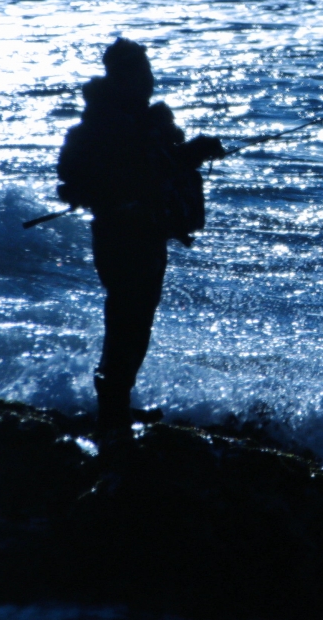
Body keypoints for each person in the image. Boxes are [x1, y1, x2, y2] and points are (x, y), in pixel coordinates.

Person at [56, 37, 225, 436]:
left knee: (134, 323)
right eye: (143, 73)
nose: (150, 80)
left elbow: (151, 168)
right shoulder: (107, 125)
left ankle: (116, 408)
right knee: (127, 323)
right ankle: (112, 417)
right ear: (125, 78)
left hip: (143, 236)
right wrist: (192, 154)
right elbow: (132, 174)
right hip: (123, 238)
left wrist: (191, 153)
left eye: (149, 72)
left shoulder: (132, 121)